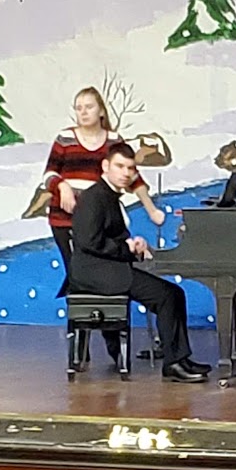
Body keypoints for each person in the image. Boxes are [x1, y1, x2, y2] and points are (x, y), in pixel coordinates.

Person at [68, 143, 208, 382]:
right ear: (105, 166)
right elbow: (89, 242)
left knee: (174, 294)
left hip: (107, 268)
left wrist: (134, 246)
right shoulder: (93, 197)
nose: (125, 173)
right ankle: (173, 363)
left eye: (130, 168)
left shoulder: (109, 196)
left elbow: (109, 238)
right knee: (167, 295)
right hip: (95, 272)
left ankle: (179, 358)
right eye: (120, 166)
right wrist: (127, 248)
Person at [27, 87, 166, 279]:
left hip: (101, 219)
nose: (83, 112)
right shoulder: (65, 139)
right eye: (79, 108)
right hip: (65, 217)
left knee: (102, 270)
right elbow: (50, 173)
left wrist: (151, 210)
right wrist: (62, 186)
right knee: (76, 271)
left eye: (89, 107)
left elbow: (133, 177)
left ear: (101, 111)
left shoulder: (113, 141)